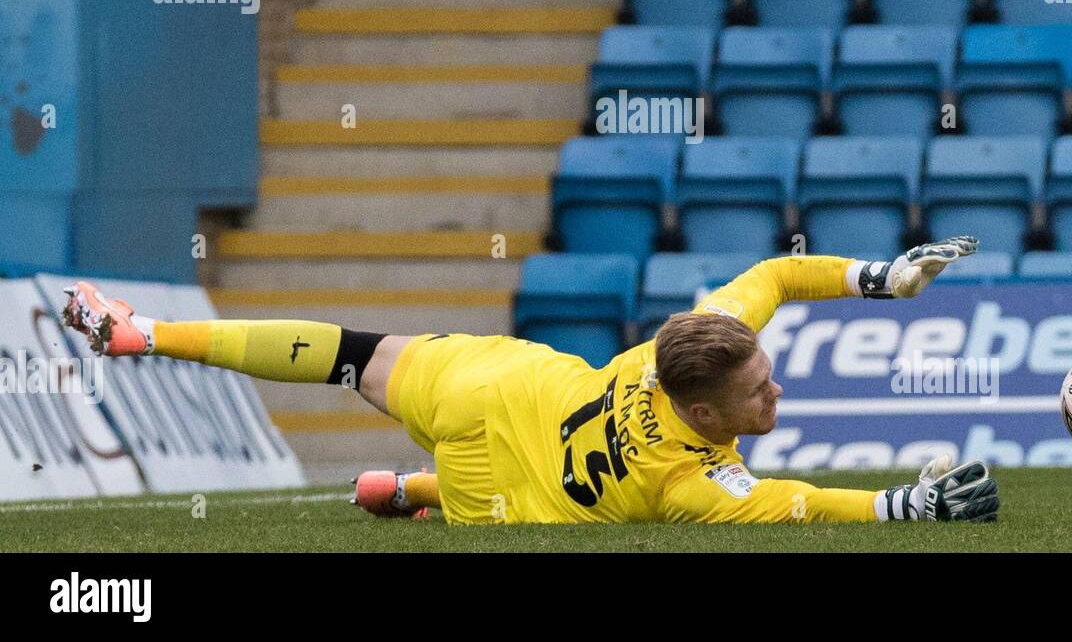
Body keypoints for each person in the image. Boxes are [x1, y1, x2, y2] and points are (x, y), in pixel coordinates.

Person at [60, 236, 998, 525]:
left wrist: (884, 278)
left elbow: (781, 276)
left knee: (346, 351)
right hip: (503, 488)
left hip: (496, 383)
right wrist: (897, 510)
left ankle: (146, 334)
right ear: (704, 411)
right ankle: (415, 492)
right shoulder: (691, 484)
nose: (777, 397)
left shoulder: (676, 345)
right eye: (760, 395)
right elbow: (795, 505)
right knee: (487, 514)